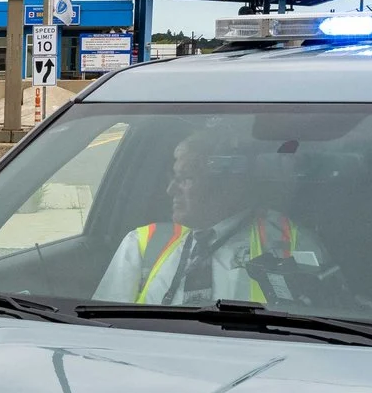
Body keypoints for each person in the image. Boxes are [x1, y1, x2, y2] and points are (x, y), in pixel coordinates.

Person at [93, 131, 328, 306]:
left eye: (186, 179)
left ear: (228, 186)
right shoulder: (143, 242)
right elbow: (102, 328)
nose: (171, 190)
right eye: (174, 177)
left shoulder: (288, 241)